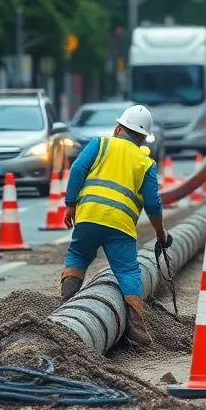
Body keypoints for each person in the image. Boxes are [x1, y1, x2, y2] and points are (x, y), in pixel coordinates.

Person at [59, 104, 170, 347]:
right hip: (120, 227)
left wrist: (70, 204)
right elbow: (153, 204)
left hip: (88, 218)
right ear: (142, 138)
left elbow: (77, 169)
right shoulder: (145, 162)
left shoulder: (100, 144)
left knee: (78, 255)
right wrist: (161, 233)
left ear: (118, 128)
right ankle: (138, 331)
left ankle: (65, 307)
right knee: (129, 271)